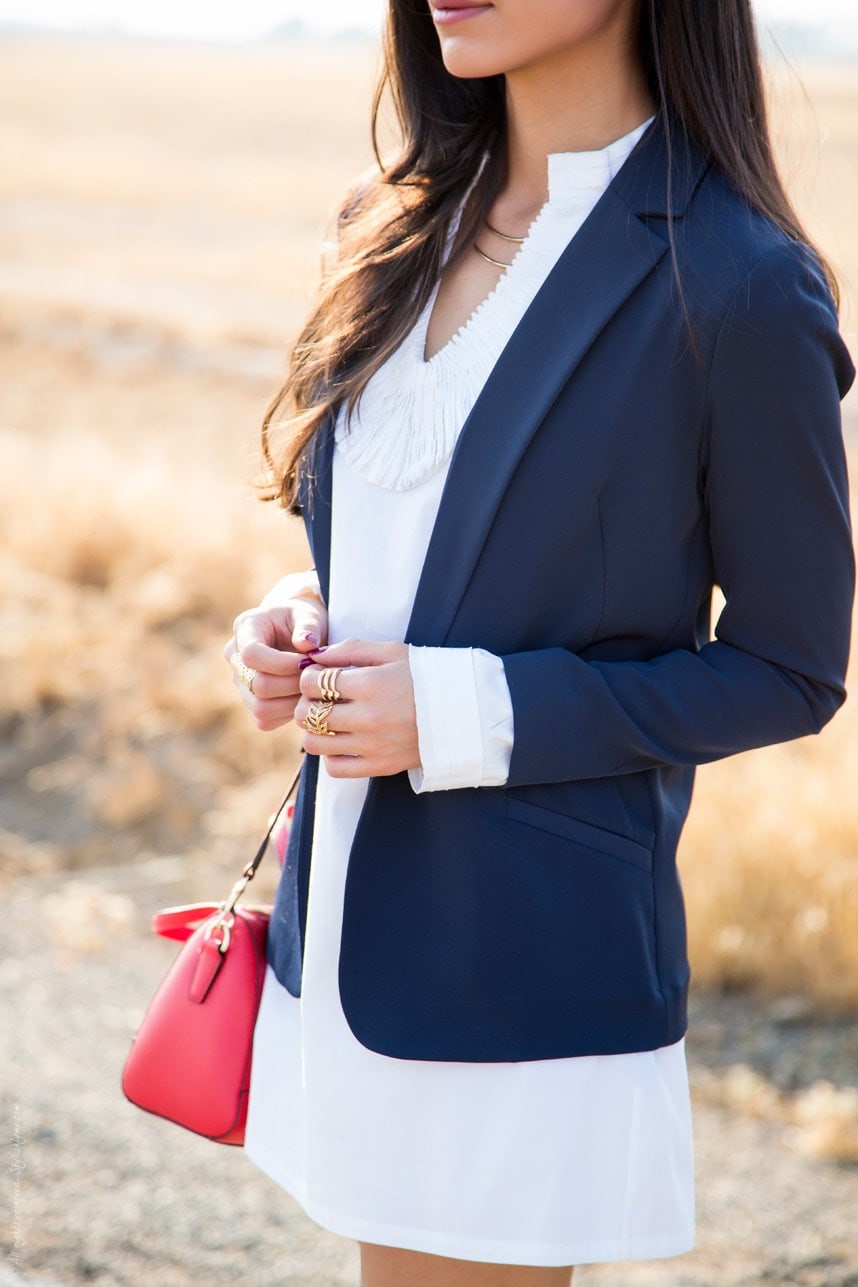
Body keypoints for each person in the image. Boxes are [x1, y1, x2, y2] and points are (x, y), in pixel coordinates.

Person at [225, 2, 855, 1283]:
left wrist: (461, 712)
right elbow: (423, 545)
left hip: (524, 946)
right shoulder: (392, 222)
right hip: (342, 916)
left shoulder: (736, 283)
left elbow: (791, 667)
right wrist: (304, 616)